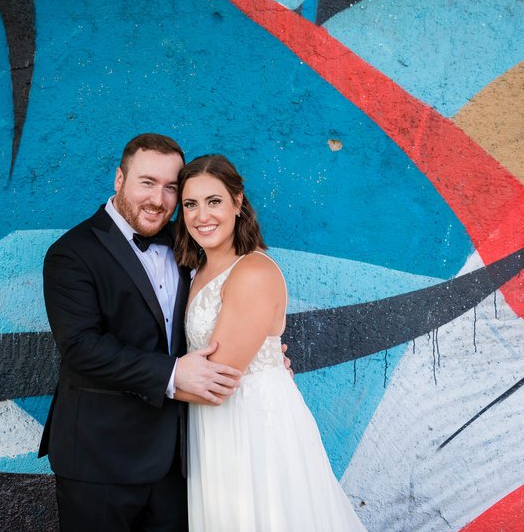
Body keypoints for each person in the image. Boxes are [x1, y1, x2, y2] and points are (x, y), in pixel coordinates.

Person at [39, 133, 246, 532]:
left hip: (176, 461)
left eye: (171, 188)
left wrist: (259, 356)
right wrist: (173, 373)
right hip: (99, 459)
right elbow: (81, 347)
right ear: (119, 180)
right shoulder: (71, 252)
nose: (158, 200)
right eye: (147, 183)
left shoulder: (188, 243)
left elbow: (214, 317)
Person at [174, 154, 366, 531]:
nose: (202, 216)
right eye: (190, 204)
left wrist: (135, 384)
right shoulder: (196, 270)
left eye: (214, 201)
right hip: (214, 427)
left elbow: (219, 382)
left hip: (253, 428)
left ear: (238, 202)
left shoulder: (253, 272)